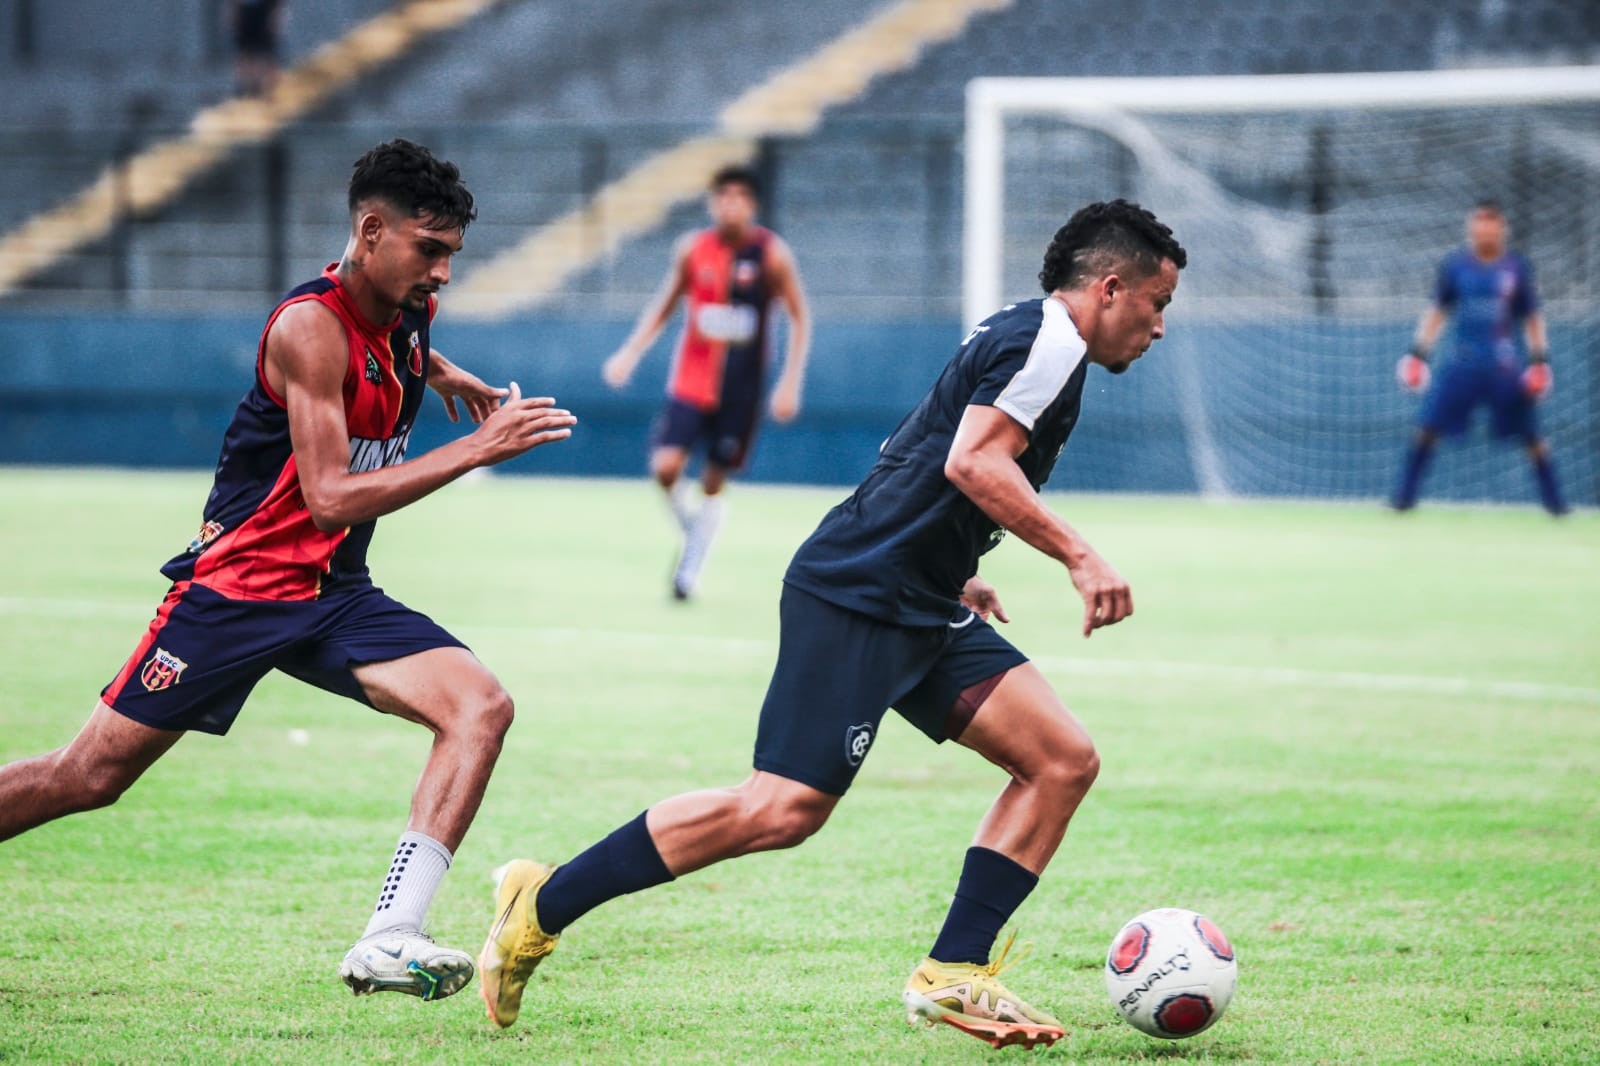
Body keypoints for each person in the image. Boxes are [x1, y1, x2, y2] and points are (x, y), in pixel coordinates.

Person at [480, 200, 1186, 1049]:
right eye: (1158, 305)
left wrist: (958, 564)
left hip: (920, 596)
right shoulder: (1051, 342)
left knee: (1060, 760)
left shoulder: (1033, 334)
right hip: (859, 592)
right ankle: (540, 902)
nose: (1159, 327)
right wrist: (1081, 557)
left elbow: (922, 450)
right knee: (779, 810)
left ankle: (951, 972)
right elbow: (971, 459)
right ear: (1111, 288)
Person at [0, 139, 576, 1003]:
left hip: (335, 596)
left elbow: (401, 351)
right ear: (371, 232)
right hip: (240, 592)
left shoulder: (404, 306)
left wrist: (450, 377)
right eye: (431, 250)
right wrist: (475, 449)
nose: (444, 273)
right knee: (87, 778)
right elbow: (333, 497)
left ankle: (390, 934)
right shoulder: (308, 327)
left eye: (453, 254)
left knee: (480, 706)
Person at [601, 164, 810, 600]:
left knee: (714, 482)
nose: (729, 204)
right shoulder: (694, 250)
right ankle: (697, 534)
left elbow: (798, 316)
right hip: (692, 381)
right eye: (722, 195)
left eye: (739, 196)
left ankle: (693, 556)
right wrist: (630, 351)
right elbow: (667, 302)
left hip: (741, 389)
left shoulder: (770, 254)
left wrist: (790, 381)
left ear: (751, 203)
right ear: (713, 201)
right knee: (665, 467)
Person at [1391, 200, 1566, 514]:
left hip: (1504, 368)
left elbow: (1532, 318)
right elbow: (1437, 312)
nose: (1484, 229)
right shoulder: (1456, 266)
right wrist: (1417, 355)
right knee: (1427, 428)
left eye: (1491, 223)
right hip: (1463, 365)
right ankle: (1403, 500)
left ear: (1501, 229)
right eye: (1479, 223)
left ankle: (1556, 505)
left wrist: (1541, 362)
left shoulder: (1516, 268)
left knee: (1533, 437)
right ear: (1471, 229)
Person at [227, 0, 286, 98]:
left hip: (265, 10)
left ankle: (271, 88)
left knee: (267, 52)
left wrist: (277, 13)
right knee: (244, 52)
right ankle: (244, 87)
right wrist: (233, 10)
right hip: (245, 11)